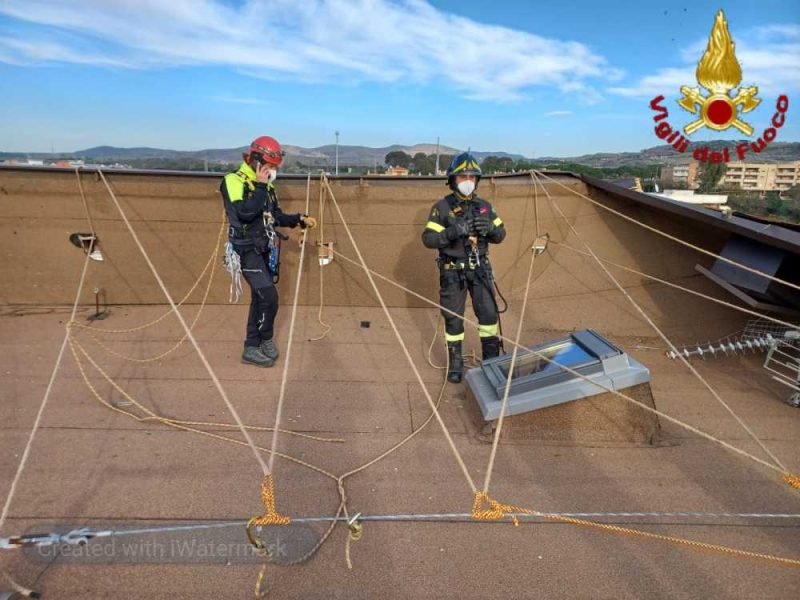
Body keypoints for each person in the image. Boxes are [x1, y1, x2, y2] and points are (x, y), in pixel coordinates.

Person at [220, 135, 316, 367]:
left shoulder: (267, 186)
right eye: (270, 166)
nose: (272, 171)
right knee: (269, 297)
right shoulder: (233, 181)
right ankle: (259, 342)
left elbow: (275, 216)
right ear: (256, 161)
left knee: (260, 298)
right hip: (246, 250)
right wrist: (261, 185)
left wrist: (298, 219)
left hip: (264, 247)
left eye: (274, 167)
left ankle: (256, 343)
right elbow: (244, 213)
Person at [422, 152, 506, 383]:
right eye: (462, 177)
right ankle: (456, 363)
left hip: (480, 270)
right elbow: (428, 239)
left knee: (489, 315)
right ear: (452, 181)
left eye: (472, 177)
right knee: (453, 319)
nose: (468, 181)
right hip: (452, 272)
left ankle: (491, 363)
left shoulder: (485, 207)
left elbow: (501, 235)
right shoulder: (442, 208)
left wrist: (489, 228)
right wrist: (452, 232)